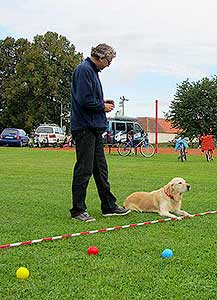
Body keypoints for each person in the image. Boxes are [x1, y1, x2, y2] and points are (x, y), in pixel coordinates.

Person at [70, 43, 130, 222]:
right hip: (85, 128)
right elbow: (84, 100)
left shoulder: (92, 72)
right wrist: (102, 106)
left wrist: (102, 102)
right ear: (101, 57)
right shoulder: (84, 70)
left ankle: (108, 206)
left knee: (101, 170)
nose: (109, 64)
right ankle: (78, 210)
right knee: (84, 169)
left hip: (94, 128)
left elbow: (90, 98)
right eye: (109, 60)